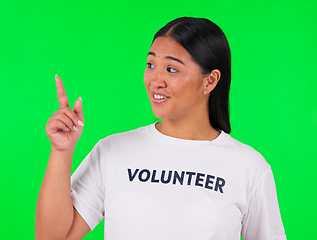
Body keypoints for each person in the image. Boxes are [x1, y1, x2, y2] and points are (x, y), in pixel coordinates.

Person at [36, 17, 286, 240]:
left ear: (210, 80)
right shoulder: (112, 152)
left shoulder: (249, 167)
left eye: (172, 69)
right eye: (151, 65)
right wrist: (62, 151)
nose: (156, 81)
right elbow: (51, 237)